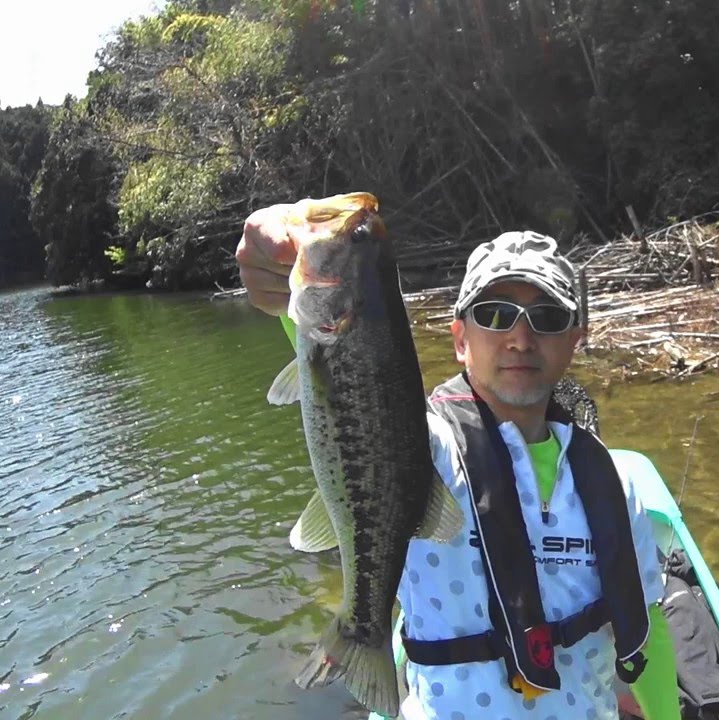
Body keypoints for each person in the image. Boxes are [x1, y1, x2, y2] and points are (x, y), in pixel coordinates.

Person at [236, 200, 681, 720]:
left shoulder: (614, 483)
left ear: (574, 342)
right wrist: (280, 252)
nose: (520, 337)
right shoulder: (424, 450)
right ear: (460, 340)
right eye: (495, 315)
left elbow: (643, 632)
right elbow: (340, 369)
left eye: (547, 317)